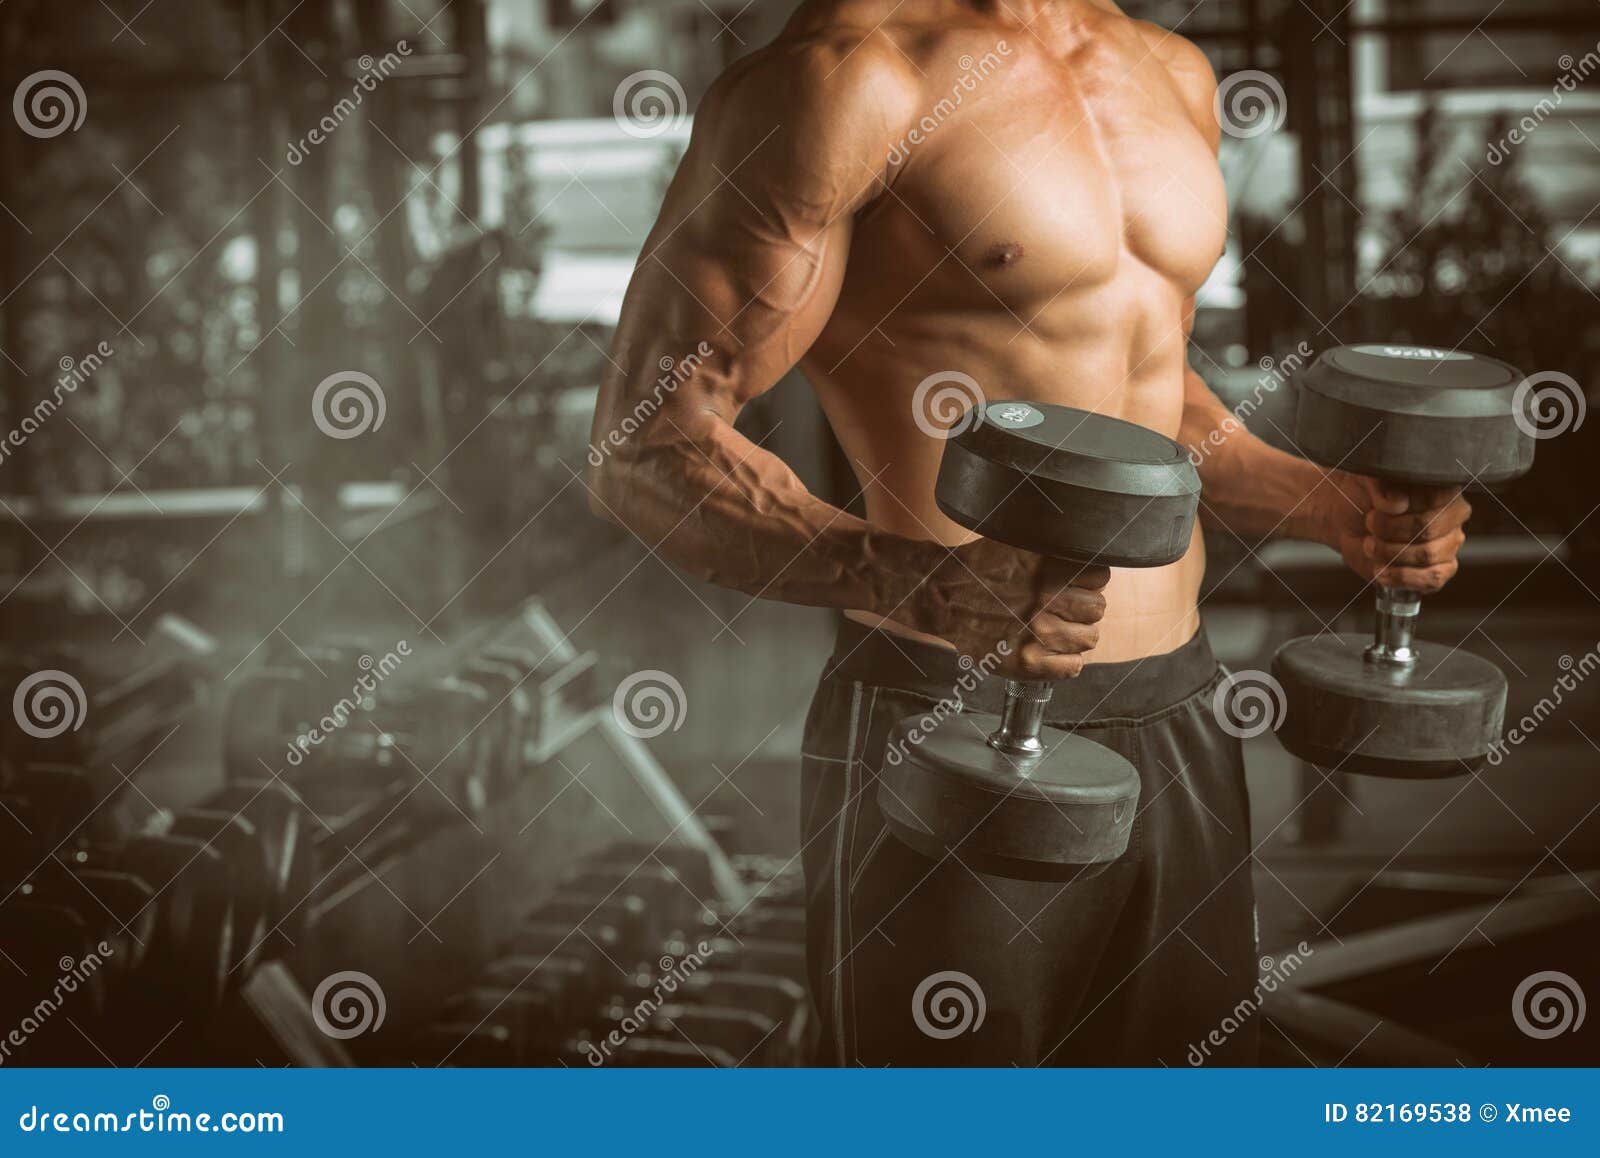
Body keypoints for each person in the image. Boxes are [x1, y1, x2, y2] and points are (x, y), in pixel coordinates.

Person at [589, 0, 1471, 1065]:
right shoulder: (848, 78)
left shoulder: (1170, 73)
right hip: (952, 712)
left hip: (1179, 707)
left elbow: (1148, 408)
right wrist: (921, 584)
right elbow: (645, 444)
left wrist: (1330, 507)